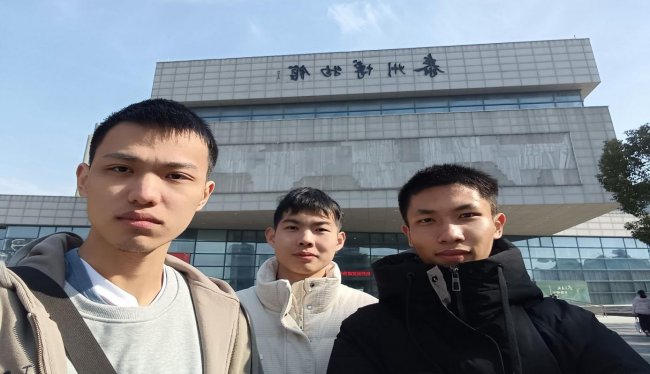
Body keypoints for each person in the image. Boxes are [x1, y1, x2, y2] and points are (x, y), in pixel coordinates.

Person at [0, 99, 255, 373]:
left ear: (204, 195)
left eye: (176, 176)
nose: (144, 194)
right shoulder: (8, 307)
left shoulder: (225, 317)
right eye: (121, 169)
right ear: (84, 180)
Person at [328, 164, 650, 373]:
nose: (450, 233)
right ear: (409, 234)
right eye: (427, 220)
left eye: (467, 215)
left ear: (497, 225)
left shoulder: (567, 325)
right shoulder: (366, 330)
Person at [237, 187, 377, 374]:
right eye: (292, 228)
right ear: (272, 236)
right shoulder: (235, 307)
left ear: (339, 240)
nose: (305, 239)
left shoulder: (369, 310)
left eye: (320, 229)